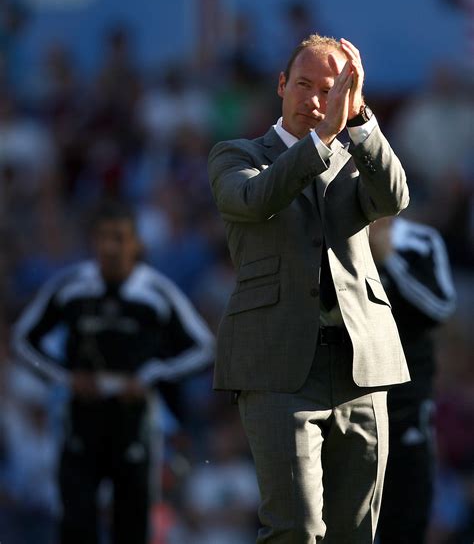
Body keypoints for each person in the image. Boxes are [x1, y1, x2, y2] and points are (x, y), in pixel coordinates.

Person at [208, 33, 410, 543]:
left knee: (356, 532)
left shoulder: (356, 152)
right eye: (303, 85)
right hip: (277, 368)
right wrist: (323, 140)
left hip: (360, 363)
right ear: (280, 85)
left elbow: (394, 198)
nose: (317, 101)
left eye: (330, 89)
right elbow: (256, 199)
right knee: (294, 530)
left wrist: (360, 120)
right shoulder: (236, 154)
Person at [13, 200, 214, 544]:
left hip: (134, 417)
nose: (110, 247)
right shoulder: (71, 286)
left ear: (136, 244)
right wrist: (65, 377)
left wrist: (151, 376)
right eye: (103, 238)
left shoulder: (156, 292)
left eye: (119, 238)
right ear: (93, 242)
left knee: (133, 519)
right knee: (76, 520)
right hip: (80, 414)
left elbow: (205, 347)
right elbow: (22, 339)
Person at [370, 216, 456, 544]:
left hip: (406, 401)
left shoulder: (420, 240)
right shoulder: (329, 235)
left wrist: (389, 260)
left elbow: (440, 306)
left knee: (406, 514)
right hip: (344, 399)